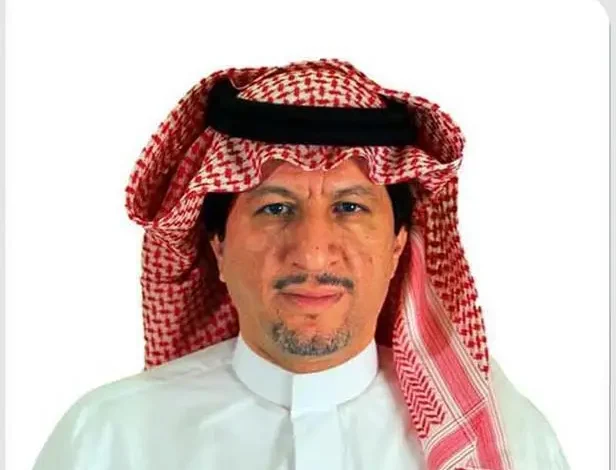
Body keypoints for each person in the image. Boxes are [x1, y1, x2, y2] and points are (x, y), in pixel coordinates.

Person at [32, 58, 570, 470]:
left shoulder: (510, 444)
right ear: (218, 247)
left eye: (349, 207)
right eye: (275, 208)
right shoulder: (108, 440)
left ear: (398, 246)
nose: (312, 252)